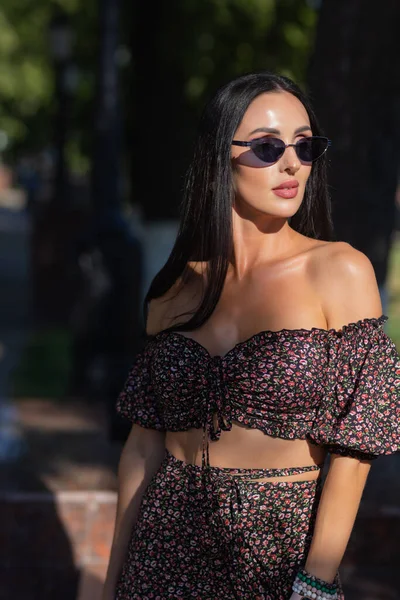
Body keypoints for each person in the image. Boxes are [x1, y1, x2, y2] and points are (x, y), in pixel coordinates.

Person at [102, 72, 400, 600]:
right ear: (220, 156)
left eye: (305, 147)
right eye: (267, 147)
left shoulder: (339, 271)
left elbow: (355, 449)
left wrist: (318, 581)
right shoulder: (175, 288)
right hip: (163, 542)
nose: (291, 164)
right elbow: (143, 446)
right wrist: (113, 583)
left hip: (274, 548)